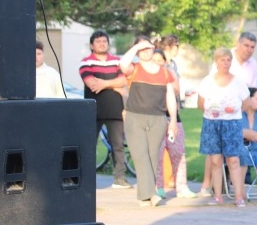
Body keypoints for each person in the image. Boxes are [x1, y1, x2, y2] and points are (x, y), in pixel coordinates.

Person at [119, 37, 178, 207]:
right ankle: (151, 194)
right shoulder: (134, 69)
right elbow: (122, 64)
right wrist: (136, 46)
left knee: (152, 157)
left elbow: (170, 96)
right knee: (140, 155)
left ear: (153, 49)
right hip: (135, 117)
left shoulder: (165, 72)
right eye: (141, 50)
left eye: (148, 48)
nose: (145, 52)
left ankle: (144, 197)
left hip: (158, 118)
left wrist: (173, 120)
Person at [197, 47, 251, 207]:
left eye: (229, 59)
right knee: (215, 160)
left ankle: (238, 196)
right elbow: (200, 103)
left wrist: (233, 111)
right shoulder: (207, 81)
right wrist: (213, 111)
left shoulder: (238, 82)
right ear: (216, 61)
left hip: (232, 123)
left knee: (233, 159)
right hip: (212, 123)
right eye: (223, 59)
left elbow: (246, 102)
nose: (226, 63)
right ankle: (217, 196)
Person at [80, 30, 132, 189]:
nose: (102, 44)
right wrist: (113, 84)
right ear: (91, 45)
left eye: (104, 41)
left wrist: (103, 83)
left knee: (118, 145)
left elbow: (124, 80)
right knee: (89, 146)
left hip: (115, 109)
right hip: (92, 110)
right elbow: (91, 84)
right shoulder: (86, 62)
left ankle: (120, 178)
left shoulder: (117, 61)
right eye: (98, 42)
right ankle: (86, 180)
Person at [152, 46, 197, 199]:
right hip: (155, 120)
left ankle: (182, 187)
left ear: (165, 62)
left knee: (178, 153)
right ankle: (158, 187)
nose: (157, 63)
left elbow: (176, 90)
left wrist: (168, 78)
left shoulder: (169, 75)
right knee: (157, 155)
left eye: (160, 60)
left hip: (173, 119)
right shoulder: (146, 78)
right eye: (154, 60)